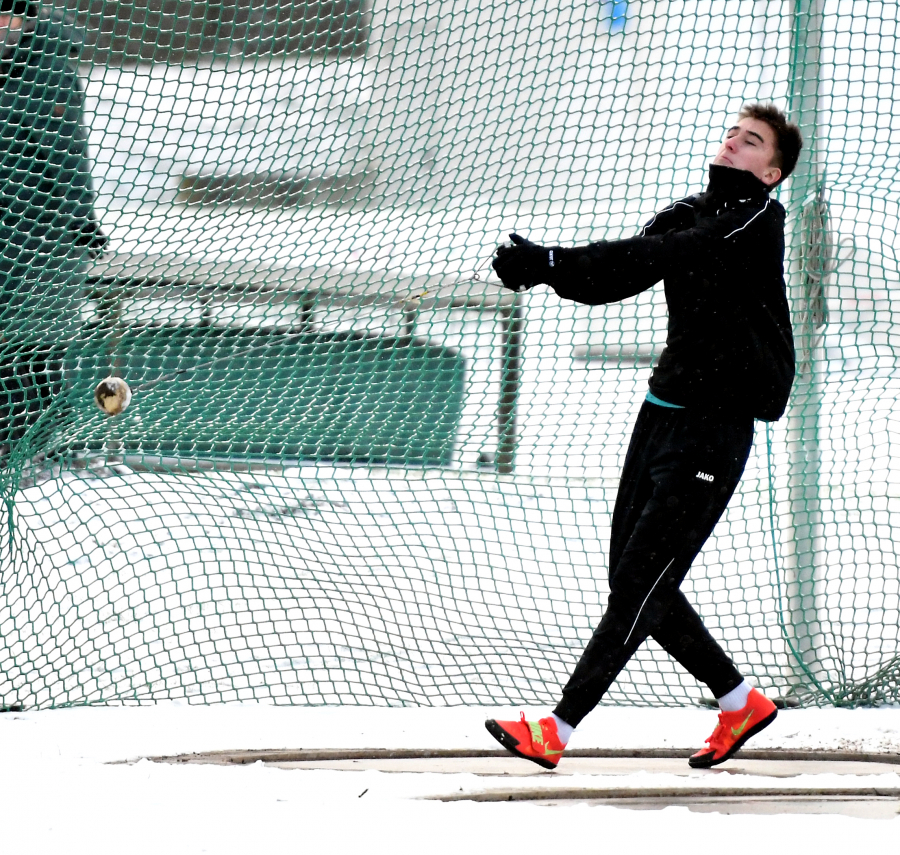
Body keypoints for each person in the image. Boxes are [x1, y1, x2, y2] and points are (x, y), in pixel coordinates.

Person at [485, 103, 802, 769]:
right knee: (634, 580)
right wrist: (550, 269)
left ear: (771, 172)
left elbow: (673, 252)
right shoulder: (688, 211)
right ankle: (740, 702)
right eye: (732, 135)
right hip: (660, 413)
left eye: (752, 144)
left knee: (639, 582)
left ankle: (558, 728)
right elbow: (623, 271)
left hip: (716, 428)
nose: (734, 144)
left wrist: (553, 258)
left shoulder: (754, 219)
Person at [0, 1, 106, 465]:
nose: (3, 28)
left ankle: (26, 447)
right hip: (11, 233)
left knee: (31, 353)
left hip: (42, 236)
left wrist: (81, 218)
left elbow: (68, 150)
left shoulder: (48, 68)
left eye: (10, 19)